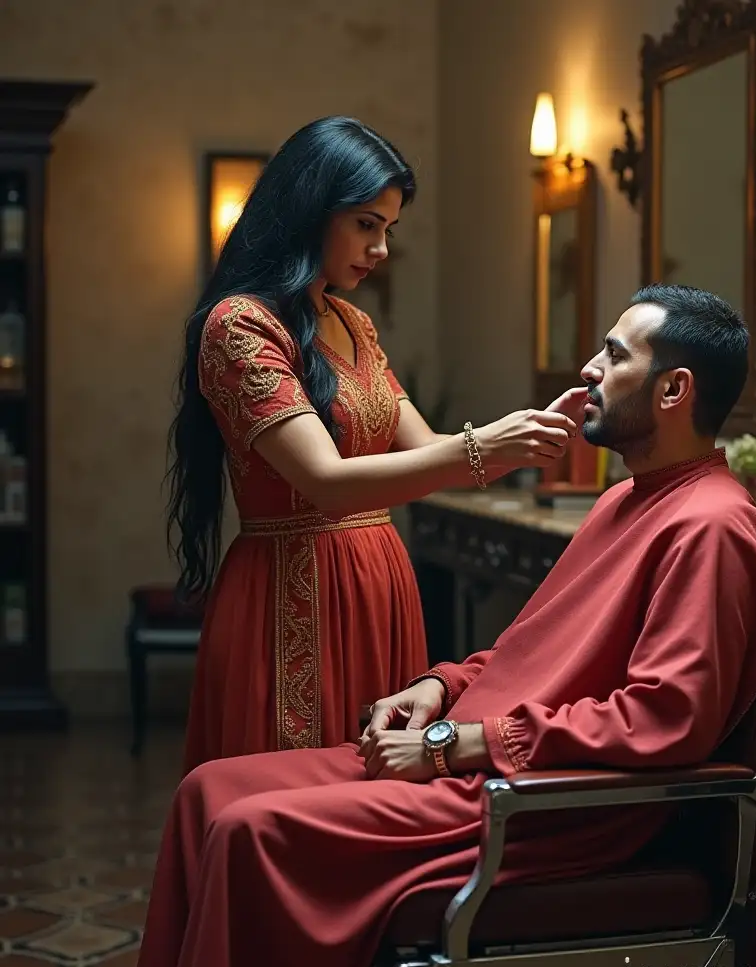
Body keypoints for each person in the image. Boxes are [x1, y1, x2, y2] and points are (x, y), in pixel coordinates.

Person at [131, 284, 756, 967]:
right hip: (484, 763)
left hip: (546, 806)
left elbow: (661, 719)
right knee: (207, 791)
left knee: (248, 831)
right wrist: (441, 686)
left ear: (673, 389)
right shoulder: (626, 500)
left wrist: (454, 746)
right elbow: (535, 650)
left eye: (614, 354)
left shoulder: (713, 527)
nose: (589, 368)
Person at [168, 116, 583, 773]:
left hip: (378, 582)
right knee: (293, 792)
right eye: (366, 224)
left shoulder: (353, 323)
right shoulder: (241, 324)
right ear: (311, 209)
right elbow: (324, 480)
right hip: (293, 587)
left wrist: (532, 434)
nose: (381, 249)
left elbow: (430, 450)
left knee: (375, 778)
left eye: (388, 229)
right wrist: (484, 445)